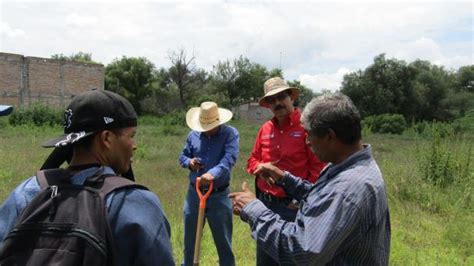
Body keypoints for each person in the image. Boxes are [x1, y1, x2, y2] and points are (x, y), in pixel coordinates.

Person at [0, 89, 175, 265]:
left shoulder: (25, 194)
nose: (134, 145)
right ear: (106, 138)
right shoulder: (135, 203)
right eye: (131, 136)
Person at [230, 93, 391, 265]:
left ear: (330, 136)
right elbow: (322, 196)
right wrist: (286, 179)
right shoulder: (348, 166)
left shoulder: (346, 189)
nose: (306, 141)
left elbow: (301, 251)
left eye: (309, 135)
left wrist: (254, 209)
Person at [247, 77, 326, 265]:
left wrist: (301, 199)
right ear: (267, 105)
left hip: (293, 207)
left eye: (281, 97)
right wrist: (259, 169)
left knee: (292, 258)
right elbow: (252, 160)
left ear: (291, 97)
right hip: (265, 203)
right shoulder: (265, 129)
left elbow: (317, 169)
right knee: (265, 258)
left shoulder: (306, 126)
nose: (277, 103)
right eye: (272, 100)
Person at [178, 101, 239, 266]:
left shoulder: (230, 134)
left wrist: (213, 174)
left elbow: (229, 159)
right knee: (190, 242)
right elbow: (182, 157)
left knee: (224, 243)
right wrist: (190, 162)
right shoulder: (193, 135)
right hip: (194, 194)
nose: (206, 130)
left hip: (219, 195)